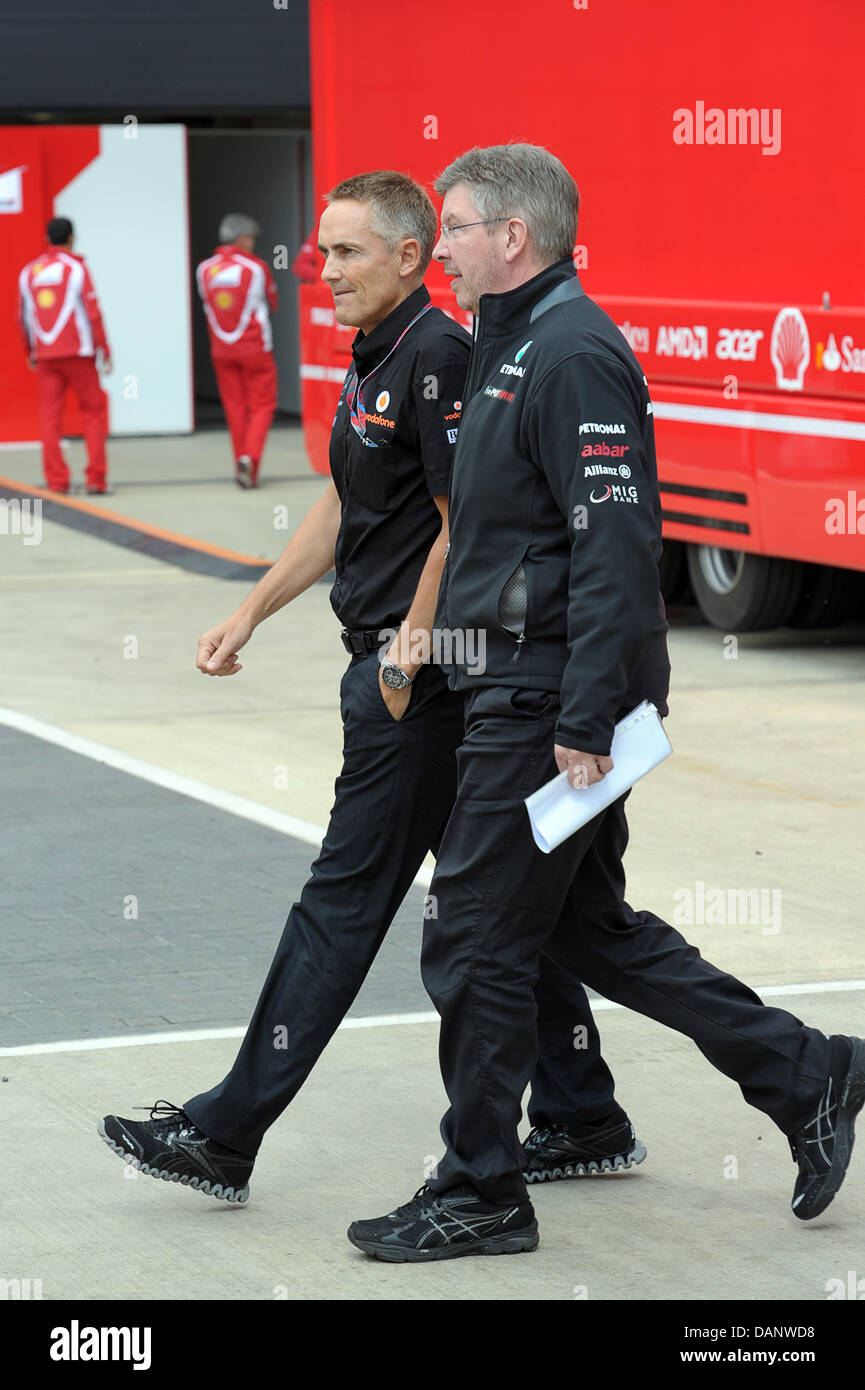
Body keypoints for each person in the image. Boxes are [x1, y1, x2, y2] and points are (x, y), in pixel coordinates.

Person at [347, 144, 865, 1262]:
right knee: (590, 931)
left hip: (544, 708)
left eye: (456, 228)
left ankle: (479, 1187)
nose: (441, 247)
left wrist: (586, 717)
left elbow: (617, 542)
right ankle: (805, 1070)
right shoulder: (507, 340)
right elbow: (506, 535)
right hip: (513, 687)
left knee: (473, 938)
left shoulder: (571, 351)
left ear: (513, 238)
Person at [98, 171, 643, 1203]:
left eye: (347, 252)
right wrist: (250, 609)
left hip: (422, 689)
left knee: (341, 906)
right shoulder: (376, 357)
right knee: (501, 915)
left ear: (404, 258)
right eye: (321, 252)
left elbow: (458, 516)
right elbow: (346, 505)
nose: (324, 270)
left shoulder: (437, 356)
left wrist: (407, 650)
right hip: (405, 675)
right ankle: (582, 1109)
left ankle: (227, 1132)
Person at [18, 216, 111, 495]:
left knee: (49, 418)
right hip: (79, 353)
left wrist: (30, 351)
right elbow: (93, 312)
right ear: (72, 239)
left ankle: (57, 481)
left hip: (46, 355)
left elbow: (22, 318)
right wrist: (104, 348)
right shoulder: (77, 269)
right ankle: (96, 479)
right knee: (93, 413)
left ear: (47, 239)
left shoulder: (29, 272)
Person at [196, 214, 279, 489]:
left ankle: (242, 467)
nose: (253, 244)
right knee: (262, 404)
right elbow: (273, 300)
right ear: (243, 239)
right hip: (255, 348)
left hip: (221, 349)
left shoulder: (204, 269)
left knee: (234, 408)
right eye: (252, 238)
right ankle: (250, 459)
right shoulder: (255, 267)